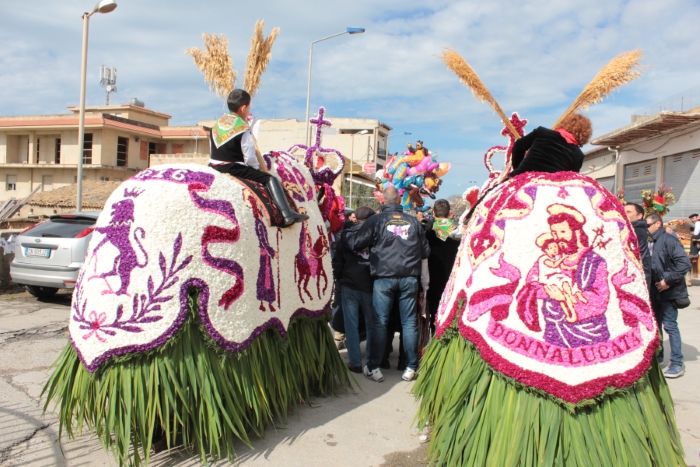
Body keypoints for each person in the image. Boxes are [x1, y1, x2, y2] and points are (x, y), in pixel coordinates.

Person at [343, 187, 430, 382]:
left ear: (383, 199)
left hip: (383, 277)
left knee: (380, 322)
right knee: (409, 323)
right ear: (399, 199)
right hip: (409, 278)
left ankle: (374, 367)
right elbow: (425, 252)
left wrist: (345, 235)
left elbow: (356, 243)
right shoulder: (413, 221)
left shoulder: (377, 220)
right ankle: (411, 367)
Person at [209, 89, 307, 227]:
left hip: (213, 166)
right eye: (249, 107)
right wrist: (257, 169)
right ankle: (287, 214)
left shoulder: (217, 124)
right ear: (243, 108)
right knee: (270, 179)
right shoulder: (242, 126)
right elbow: (249, 156)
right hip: (232, 167)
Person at [646, 213, 692, 378]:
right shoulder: (651, 242)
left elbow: (684, 264)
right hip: (655, 291)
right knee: (656, 325)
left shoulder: (668, 240)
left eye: (648, 225)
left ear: (658, 224)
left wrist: (668, 281)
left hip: (669, 291)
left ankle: (677, 363)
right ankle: (658, 356)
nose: (646, 229)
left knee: (670, 326)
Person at [332, 206, 376, 373]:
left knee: (351, 325)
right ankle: (372, 363)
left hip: (349, 283)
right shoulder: (376, 234)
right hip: (370, 284)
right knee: (372, 325)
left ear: (355, 218)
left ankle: (355, 362)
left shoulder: (347, 234)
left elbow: (338, 260)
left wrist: (338, 278)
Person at [509, 113, 592, 178]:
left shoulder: (542, 132)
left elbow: (518, 146)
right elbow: (570, 178)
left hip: (523, 177)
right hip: (549, 187)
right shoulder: (578, 155)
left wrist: (518, 168)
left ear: (565, 124)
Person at [425, 199, 460, 332]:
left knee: (434, 313)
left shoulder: (429, 231)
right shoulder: (458, 231)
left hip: (432, 276)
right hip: (453, 279)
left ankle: (435, 336)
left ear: (433, 212)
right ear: (449, 213)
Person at [624, 203, 652, 288]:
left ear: (639, 216)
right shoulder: (643, 230)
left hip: (637, 277)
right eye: (623, 211)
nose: (625, 214)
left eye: (628, 212)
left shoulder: (635, 231)